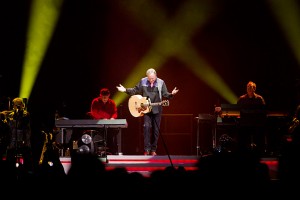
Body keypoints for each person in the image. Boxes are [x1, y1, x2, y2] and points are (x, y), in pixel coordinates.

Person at [116, 68, 179, 156]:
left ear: (156, 76)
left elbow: (165, 94)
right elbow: (135, 90)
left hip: (157, 109)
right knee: (146, 127)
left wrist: (171, 94)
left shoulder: (161, 82)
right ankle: (147, 149)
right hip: (146, 109)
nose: (151, 80)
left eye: (153, 78)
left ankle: (153, 149)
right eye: (149, 78)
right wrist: (125, 90)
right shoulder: (143, 81)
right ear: (147, 77)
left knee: (156, 130)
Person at [237, 81, 267, 155]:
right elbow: (237, 109)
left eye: (251, 87)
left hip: (256, 124)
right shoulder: (242, 99)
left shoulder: (259, 99)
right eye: (248, 87)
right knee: (243, 142)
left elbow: (263, 111)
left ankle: (259, 154)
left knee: (259, 141)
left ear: (254, 89)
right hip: (245, 124)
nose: (249, 89)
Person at [87, 88, 118, 155]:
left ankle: (111, 152)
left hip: (109, 125)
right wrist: (101, 118)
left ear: (109, 96)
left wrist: (112, 118)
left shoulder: (112, 102)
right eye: (103, 97)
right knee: (98, 137)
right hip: (97, 125)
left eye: (106, 97)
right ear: (100, 95)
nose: (105, 99)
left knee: (111, 136)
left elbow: (115, 112)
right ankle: (96, 152)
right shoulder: (95, 101)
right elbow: (93, 112)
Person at [6, 97, 33, 172]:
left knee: (27, 156)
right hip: (13, 141)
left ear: (22, 105)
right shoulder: (10, 115)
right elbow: (9, 127)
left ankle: (28, 171)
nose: (17, 106)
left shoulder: (26, 114)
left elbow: (22, 125)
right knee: (10, 156)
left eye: (19, 105)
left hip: (24, 141)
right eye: (16, 105)